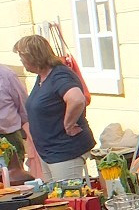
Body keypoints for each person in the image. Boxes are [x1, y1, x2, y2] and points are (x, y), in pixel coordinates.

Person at [12, 35, 95, 182]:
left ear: (33, 57)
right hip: (49, 153)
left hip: (65, 151)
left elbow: (77, 99)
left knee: (68, 199)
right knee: (55, 199)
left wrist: (68, 125)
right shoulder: (42, 77)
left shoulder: (59, 75)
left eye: (22, 57)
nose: (21, 61)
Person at [0, 65, 32, 166]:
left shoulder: (7, 75)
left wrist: (26, 129)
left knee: (14, 177)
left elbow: (22, 102)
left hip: (9, 135)